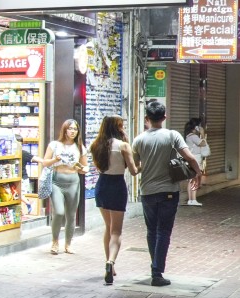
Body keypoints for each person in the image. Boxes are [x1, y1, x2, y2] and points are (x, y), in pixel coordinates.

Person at [132, 100, 203, 287]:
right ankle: (157, 272)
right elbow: (190, 157)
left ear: (146, 118)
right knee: (163, 231)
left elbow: (135, 167)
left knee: (151, 230)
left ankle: (155, 268)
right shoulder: (172, 135)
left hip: (147, 191)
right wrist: (198, 173)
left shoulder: (138, 140)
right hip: (168, 192)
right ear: (164, 117)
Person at [89, 115, 139, 285]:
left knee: (108, 227)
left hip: (102, 185)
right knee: (116, 231)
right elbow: (133, 171)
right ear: (117, 127)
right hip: (117, 185)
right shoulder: (123, 146)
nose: (123, 128)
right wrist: (143, 165)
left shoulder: (96, 145)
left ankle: (109, 265)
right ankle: (111, 262)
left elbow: (98, 167)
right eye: (121, 125)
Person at [33, 119, 86, 255]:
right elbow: (45, 163)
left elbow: (84, 168)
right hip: (57, 182)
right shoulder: (54, 145)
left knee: (71, 215)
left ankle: (68, 244)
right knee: (59, 212)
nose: (73, 131)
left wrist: (81, 168)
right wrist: (55, 160)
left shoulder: (80, 147)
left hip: (73, 183)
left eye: (75, 129)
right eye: (70, 128)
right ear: (64, 130)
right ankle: (55, 241)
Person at [183, 117, 210, 206]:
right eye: (199, 126)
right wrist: (202, 134)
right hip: (195, 159)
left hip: (191, 158)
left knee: (191, 179)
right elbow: (202, 143)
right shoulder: (193, 136)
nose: (200, 127)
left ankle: (191, 200)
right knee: (194, 178)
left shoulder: (188, 135)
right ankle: (193, 199)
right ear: (196, 127)